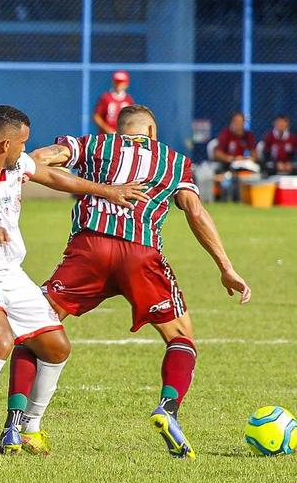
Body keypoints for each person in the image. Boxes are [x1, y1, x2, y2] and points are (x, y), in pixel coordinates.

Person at [28, 104, 251, 459]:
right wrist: (225, 266)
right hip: (141, 254)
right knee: (180, 337)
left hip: (91, 247)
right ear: (152, 133)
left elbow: (45, 157)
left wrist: (20, 164)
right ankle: (168, 409)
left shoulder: (95, 144)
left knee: (36, 326)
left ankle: (23, 426)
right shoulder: (175, 161)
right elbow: (195, 211)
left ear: (120, 130)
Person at [0, 105, 148, 458]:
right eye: (23, 143)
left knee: (56, 347)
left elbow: (53, 177)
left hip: (9, 273)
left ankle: (29, 429)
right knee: (0, 340)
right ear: (5, 144)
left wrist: (105, 191)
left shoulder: (15, 165)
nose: (27, 149)